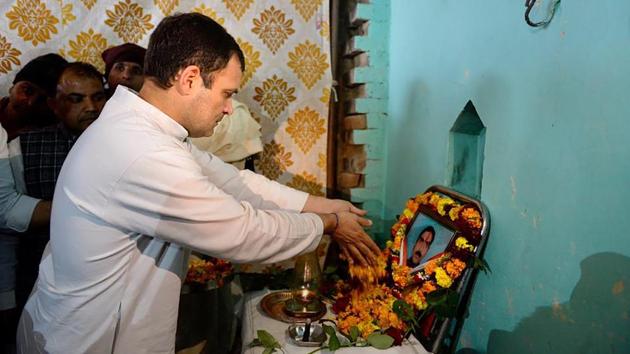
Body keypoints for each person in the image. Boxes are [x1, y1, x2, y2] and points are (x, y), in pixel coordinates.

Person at [17, 13, 380, 353]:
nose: (228, 108)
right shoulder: (142, 150)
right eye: (227, 93)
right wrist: (330, 225)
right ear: (190, 79)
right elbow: (242, 232)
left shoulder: (149, 132)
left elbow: (234, 182)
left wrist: (327, 206)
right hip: (85, 340)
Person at [8, 62, 106, 314]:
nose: (91, 108)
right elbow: (8, 221)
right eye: (76, 99)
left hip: (106, 283)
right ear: (54, 104)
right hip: (41, 285)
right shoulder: (25, 147)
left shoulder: (126, 142)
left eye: (98, 97)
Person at [0, 53, 67, 353]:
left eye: (41, 99)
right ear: (14, 84)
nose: (28, 102)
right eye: (27, 90)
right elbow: (5, 208)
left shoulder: (48, 139)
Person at [0, 53, 68, 141]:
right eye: (27, 91)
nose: (30, 102)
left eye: (42, 100)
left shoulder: (48, 137)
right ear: (13, 86)